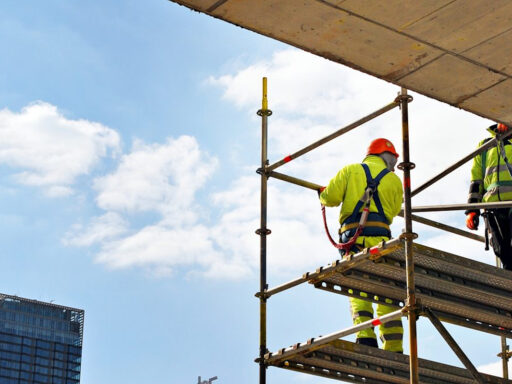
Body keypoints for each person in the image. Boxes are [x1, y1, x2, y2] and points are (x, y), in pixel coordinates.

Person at [319, 138, 404, 352]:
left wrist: (322, 193)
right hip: (383, 240)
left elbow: (329, 198)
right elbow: (393, 211)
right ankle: (394, 347)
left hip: (353, 240)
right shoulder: (394, 181)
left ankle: (365, 337)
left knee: (359, 288)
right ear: (388, 157)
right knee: (387, 292)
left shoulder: (350, 171)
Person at [465, 123, 512, 271]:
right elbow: (476, 180)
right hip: (493, 208)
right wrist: (472, 210)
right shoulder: (485, 145)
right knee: (502, 251)